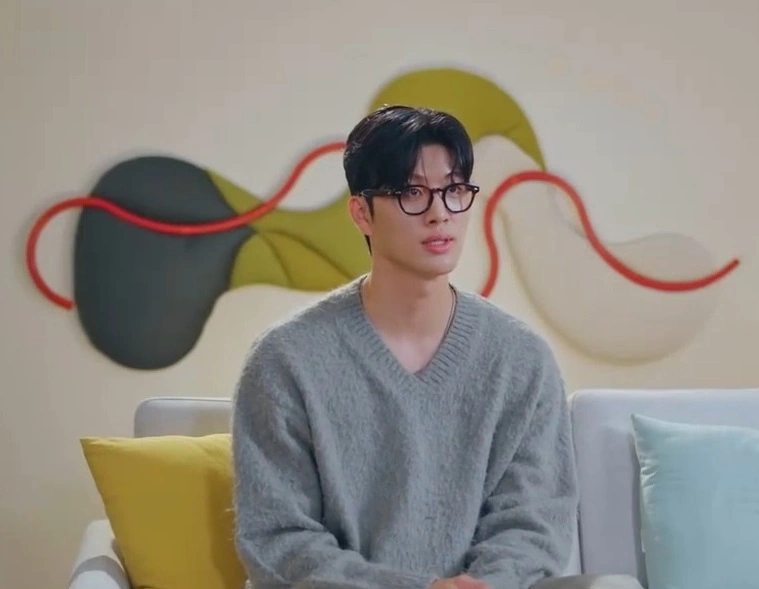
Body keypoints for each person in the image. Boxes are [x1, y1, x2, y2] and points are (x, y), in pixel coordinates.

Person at [231, 105, 580, 589]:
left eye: (454, 190)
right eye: (412, 193)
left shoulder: (522, 361)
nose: (440, 213)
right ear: (362, 213)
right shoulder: (285, 360)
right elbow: (276, 540)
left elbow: (534, 524)